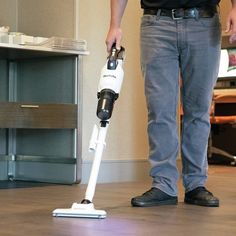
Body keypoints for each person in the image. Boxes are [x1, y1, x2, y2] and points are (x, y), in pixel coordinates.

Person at [106, 0, 236, 207]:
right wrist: (115, 24)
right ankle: (163, 184)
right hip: (156, 24)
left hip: (204, 22)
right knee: (160, 109)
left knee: (198, 109)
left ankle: (195, 185)